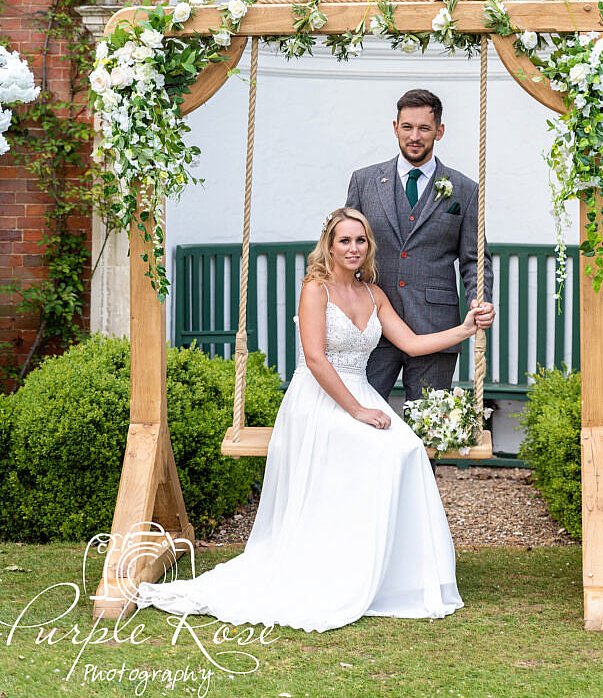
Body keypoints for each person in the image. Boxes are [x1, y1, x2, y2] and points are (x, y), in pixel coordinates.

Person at [137, 208, 487, 632]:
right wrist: (356, 411)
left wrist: (465, 328)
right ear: (330, 245)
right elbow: (317, 360)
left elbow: (412, 344)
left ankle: (397, 575)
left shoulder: (374, 294)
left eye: (361, 241)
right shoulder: (314, 289)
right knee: (376, 449)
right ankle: (342, 564)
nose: (354, 249)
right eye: (345, 241)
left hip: (359, 390)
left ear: (368, 246)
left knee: (407, 449)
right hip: (319, 398)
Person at [346, 88, 495, 403]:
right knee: (361, 419)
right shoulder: (364, 182)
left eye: (424, 128)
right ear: (395, 127)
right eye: (407, 127)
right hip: (373, 325)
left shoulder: (465, 190)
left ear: (439, 131)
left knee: (428, 426)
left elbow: (475, 259)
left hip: (435, 327)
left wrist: (480, 301)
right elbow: (346, 251)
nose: (415, 136)